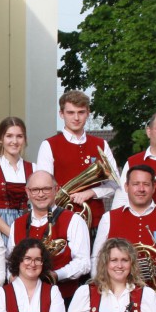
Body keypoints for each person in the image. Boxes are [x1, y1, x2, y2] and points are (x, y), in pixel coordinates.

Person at [93, 165, 156, 297]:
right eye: (136, 184)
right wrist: (100, 288)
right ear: (126, 187)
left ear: (153, 188)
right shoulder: (108, 218)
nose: (141, 189)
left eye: (146, 184)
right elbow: (97, 258)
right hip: (117, 296)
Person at [36, 90, 121, 229]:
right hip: (61, 221)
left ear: (88, 113)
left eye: (81, 112)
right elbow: (43, 186)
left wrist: (91, 193)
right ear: (61, 114)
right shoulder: (49, 145)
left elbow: (115, 184)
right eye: (70, 113)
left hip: (95, 220)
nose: (76, 118)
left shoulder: (101, 144)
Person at [7, 171, 91, 299]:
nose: (41, 194)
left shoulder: (75, 221)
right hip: (24, 299)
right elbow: (10, 261)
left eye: (46, 189)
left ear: (56, 190)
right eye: (35, 190)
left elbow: (83, 263)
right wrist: (11, 277)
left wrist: (56, 275)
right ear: (27, 192)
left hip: (64, 297)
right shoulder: (17, 224)